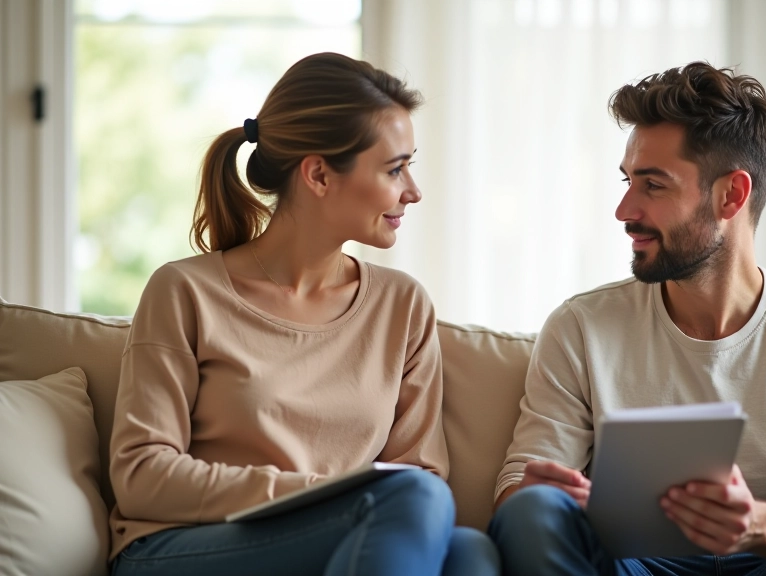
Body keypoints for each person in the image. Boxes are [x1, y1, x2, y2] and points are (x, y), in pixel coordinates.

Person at [487, 62, 766, 576]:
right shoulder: (581, 328)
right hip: (633, 567)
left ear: (732, 196)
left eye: (652, 186)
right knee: (532, 511)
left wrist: (757, 525)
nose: (624, 210)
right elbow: (516, 500)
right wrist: (555, 499)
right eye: (628, 181)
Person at [107, 52, 499, 576]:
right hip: (188, 548)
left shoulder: (401, 304)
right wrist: (328, 497)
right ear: (317, 174)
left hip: (346, 538)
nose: (413, 191)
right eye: (395, 168)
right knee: (409, 503)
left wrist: (344, 506)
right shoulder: (184, 291)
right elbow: (141, 476)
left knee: (472, 552)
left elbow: (421, 474)